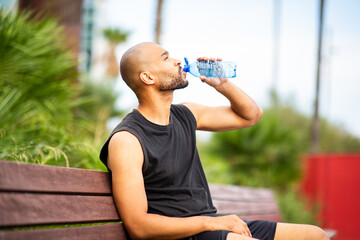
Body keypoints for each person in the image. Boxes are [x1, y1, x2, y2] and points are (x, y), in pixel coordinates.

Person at [99, 42, 329, 240]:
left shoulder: (185, 115)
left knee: (315, 235)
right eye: (166, 58)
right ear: (147, 77)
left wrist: (223, 85)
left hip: (209, 228)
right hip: (183, 234)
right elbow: (138, 226)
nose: (178, 61)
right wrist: (210, 223)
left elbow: (250, 116)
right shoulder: (127, 141)